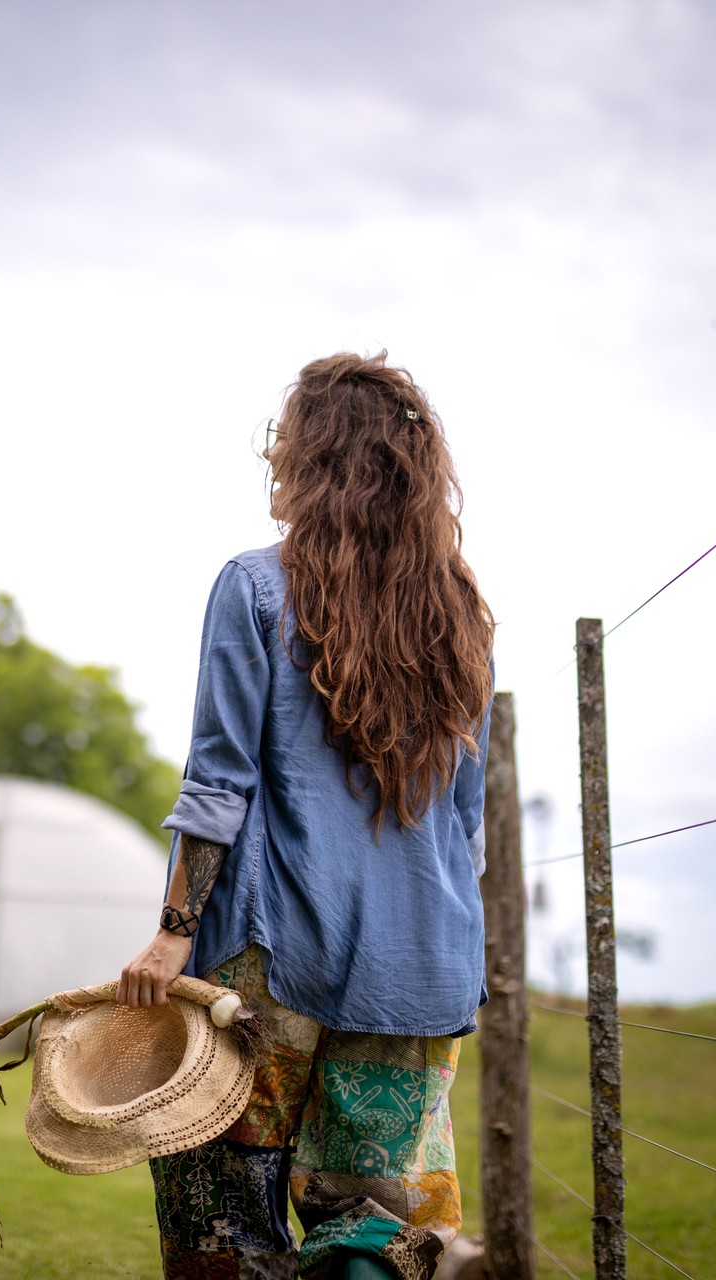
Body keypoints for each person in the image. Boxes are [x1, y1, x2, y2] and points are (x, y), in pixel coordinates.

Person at [118, 352, 495, 1280]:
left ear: (307, 455)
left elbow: (218, 785)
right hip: (421, 972)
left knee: (224, 1224)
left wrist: (173, 935)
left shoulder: (254, 587)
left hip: (270, 962)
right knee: (376, 1229)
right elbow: (468, 829)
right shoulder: (462, 614)